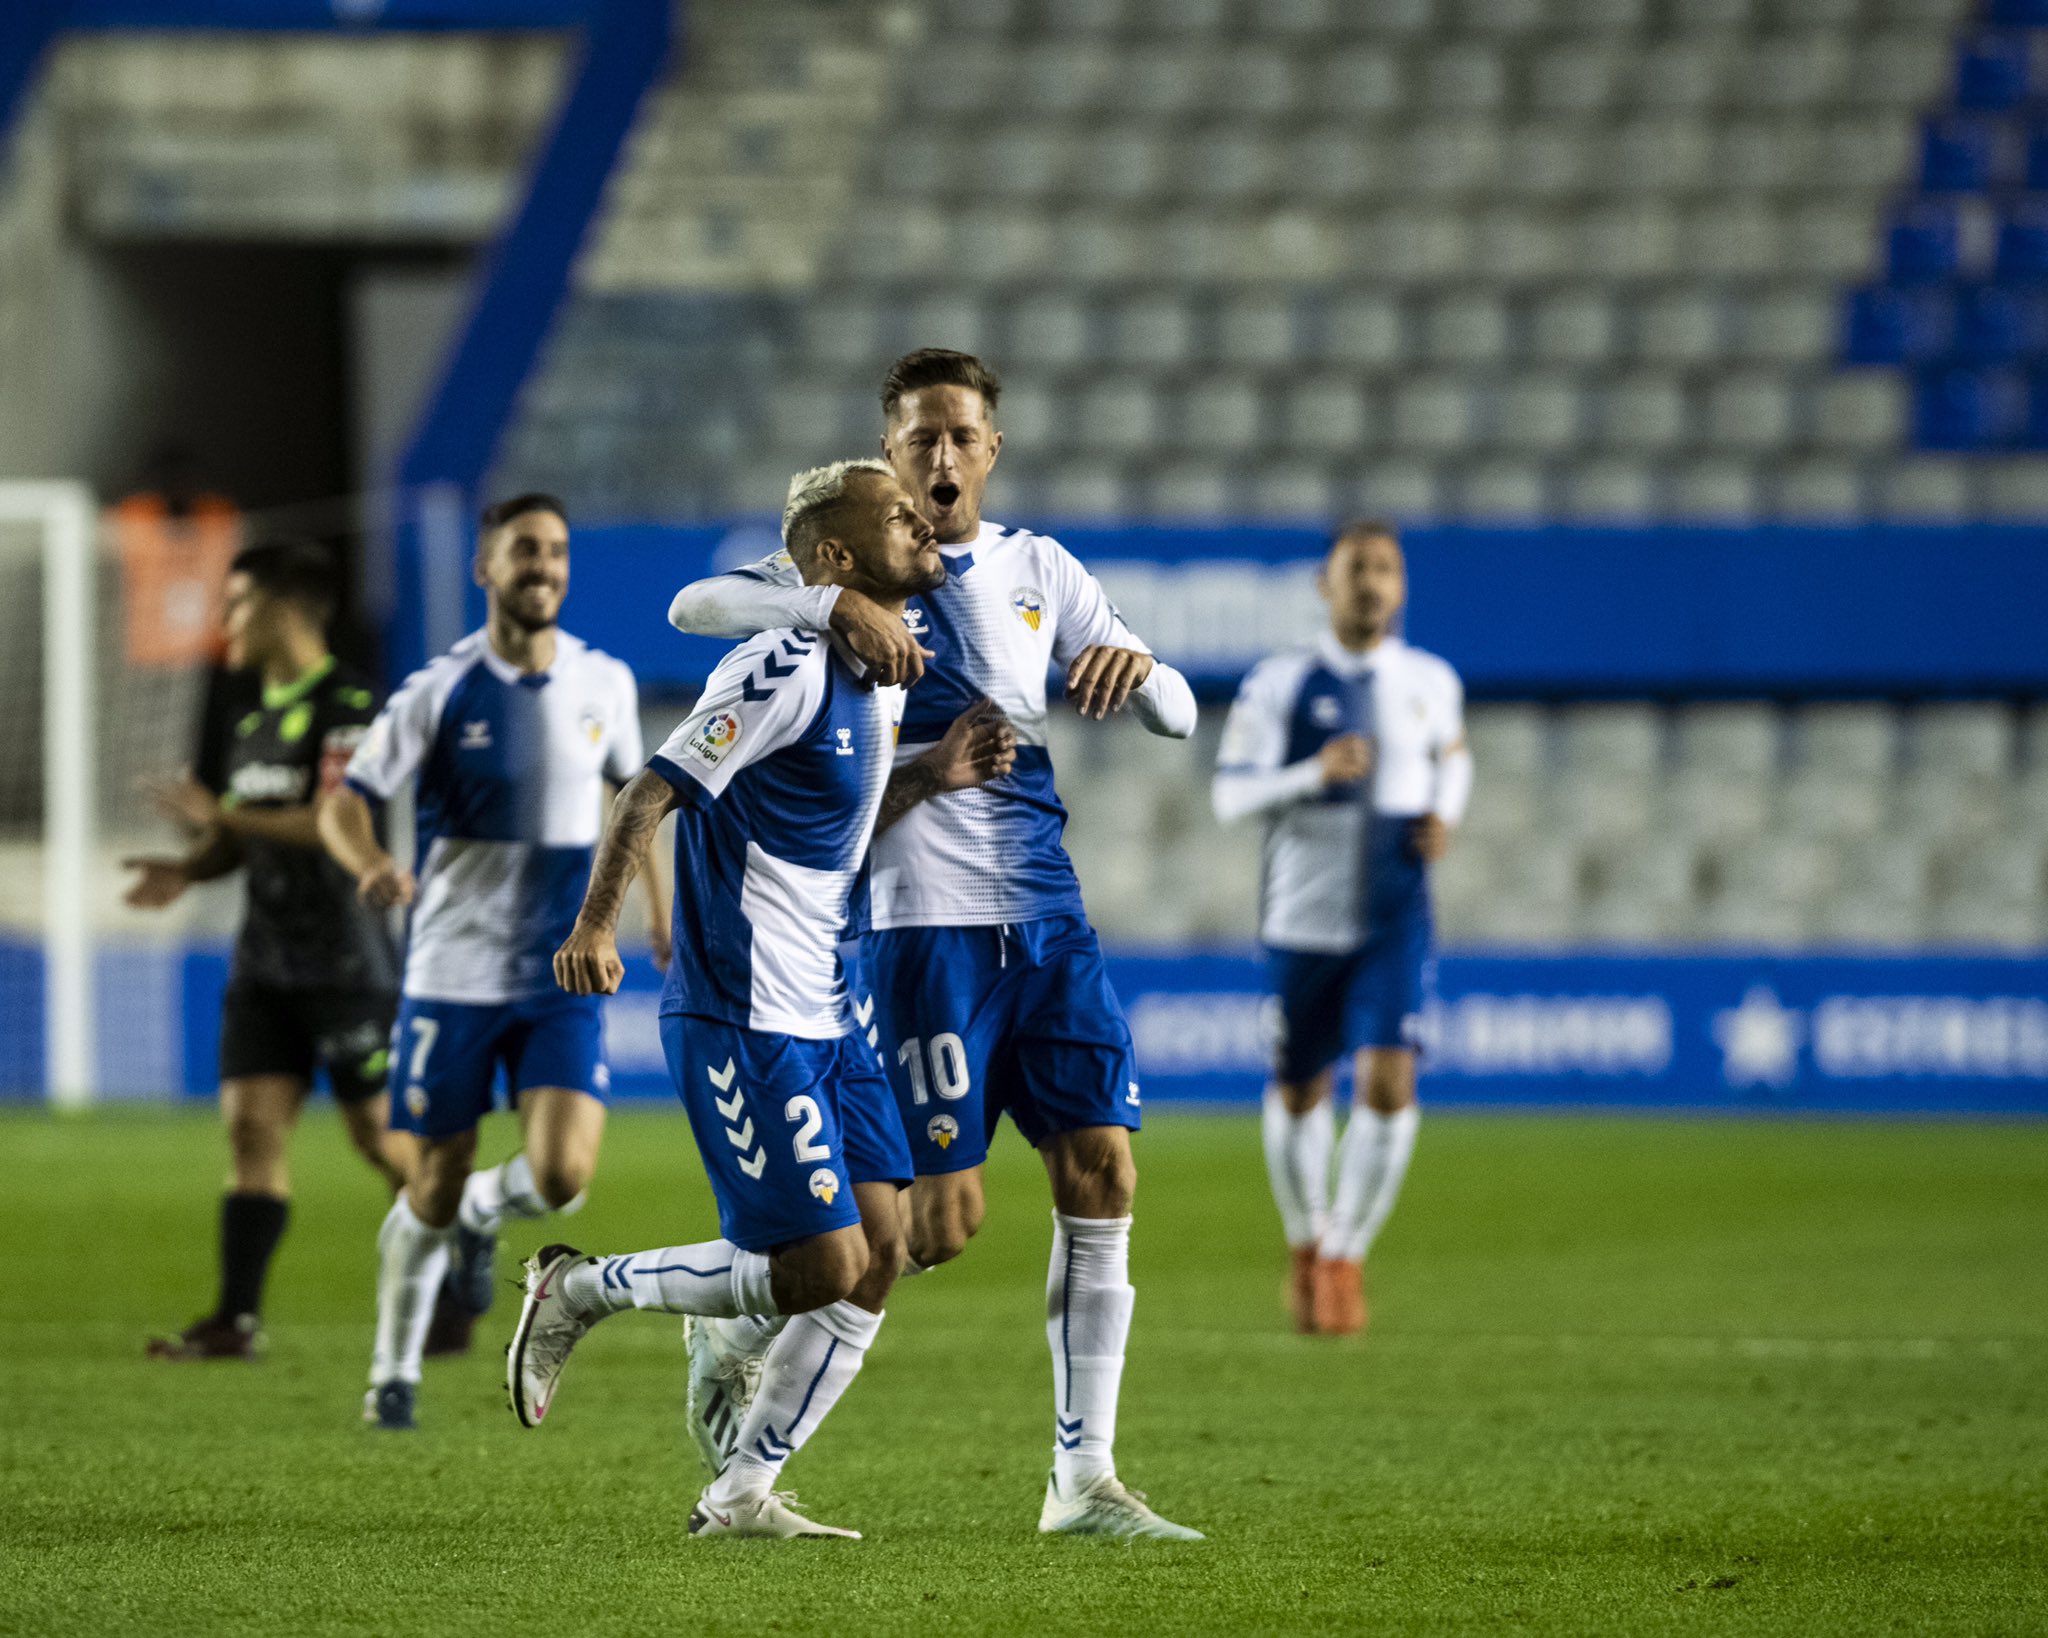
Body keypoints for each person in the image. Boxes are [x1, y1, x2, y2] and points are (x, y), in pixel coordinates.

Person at [666, 350, 1203, 1540]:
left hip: (1046, 925)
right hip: (914, 936)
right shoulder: (850, 564)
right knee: (929, 1231)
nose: (942, 459)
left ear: (990, 449)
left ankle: (1083, 1483)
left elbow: (1177, 715)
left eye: (961, 436)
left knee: (1104, 1171)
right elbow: (690, 608)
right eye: (920, 440)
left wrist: (1146, 669)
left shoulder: (1035, 569)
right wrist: (824, 603)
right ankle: (742, 1318)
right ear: (889, 449)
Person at [507, 460, 1015, 1539]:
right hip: (745, 1009)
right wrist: (594, 925)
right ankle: (579, 1290)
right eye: (893, 516)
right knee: (815, 1264)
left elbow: (819, 845)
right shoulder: (781, 660)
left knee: (884, 1252)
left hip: (832, 1006)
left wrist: (928, 780)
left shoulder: (883, 666)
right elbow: (651, 789)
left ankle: (737, 1497)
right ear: (832, 559)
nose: (922, 520)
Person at [318, 493, 666, 1430]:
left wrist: (661, 919)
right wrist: (373, 865)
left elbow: (640, 800)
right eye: (523, 552)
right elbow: (345, 802)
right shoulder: (437, 690)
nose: (542, 567)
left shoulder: (605, 681)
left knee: (562, 1177)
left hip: (561, 968)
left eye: (555, 551)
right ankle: (392, 1374)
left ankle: (483, 1212)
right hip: (451, 971)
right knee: (428, 1178)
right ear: (486, 570)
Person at [129, 539, 409, 1361]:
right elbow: (239, 837)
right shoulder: (248, 718)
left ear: (284, 608)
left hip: (347, 962)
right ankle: (234, 1320)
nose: (225, 624)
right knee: (252, 1133)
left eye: (237, 605)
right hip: (265, 962)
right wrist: (189, 866)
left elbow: (331, 821)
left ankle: (456, 1271)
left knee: (381, 1141)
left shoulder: (353, 705)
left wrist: (221, 814)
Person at [1211, 520, 1472, 1337]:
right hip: (1302, 913)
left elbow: (1455, 758)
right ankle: (1305, 1237)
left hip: (1394, 911)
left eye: (1385, 569)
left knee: (1392, 1084)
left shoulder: (1431, 679)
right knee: (1301, 1089)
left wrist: (1444, 816)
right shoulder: (1278, 685)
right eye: (1355, 568)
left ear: (1402, 587)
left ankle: (1344, 1257)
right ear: (1325, 585)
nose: (1371, 582)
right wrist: (1311, 773)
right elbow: (1229, 798)